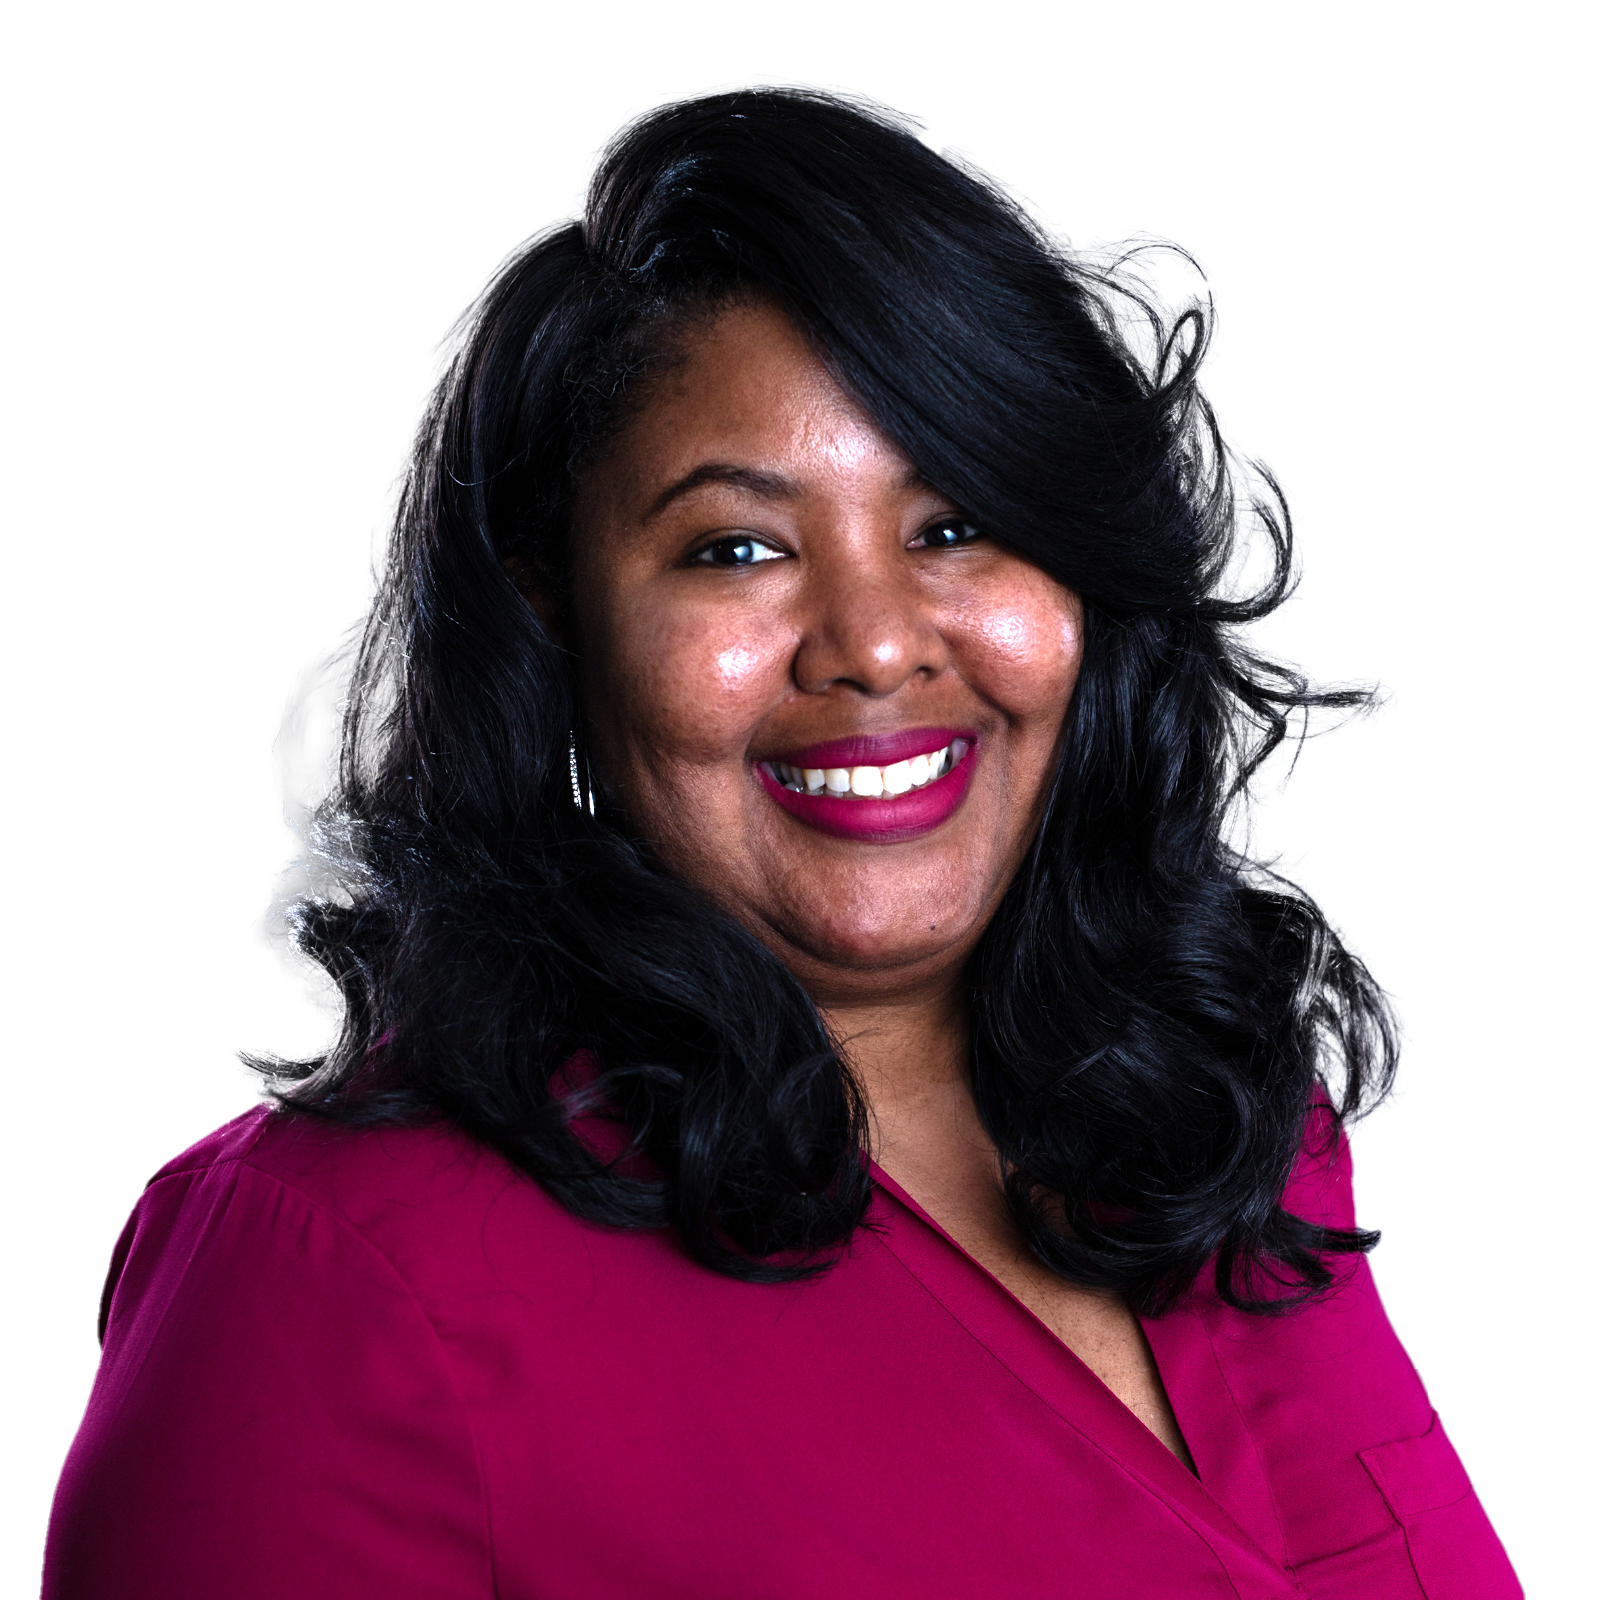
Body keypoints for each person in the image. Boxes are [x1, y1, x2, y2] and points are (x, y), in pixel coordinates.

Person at [42, 78, 1521, 1598]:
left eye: (957, 523)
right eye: (737, 547)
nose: (875, 647)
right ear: (559, 608)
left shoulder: (1230, 1126)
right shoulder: (333, 1276)